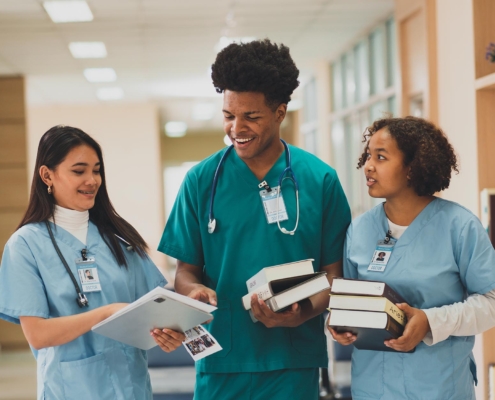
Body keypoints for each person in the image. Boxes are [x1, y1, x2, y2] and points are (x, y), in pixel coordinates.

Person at [158, 39, 351, 399]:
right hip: (221, 359)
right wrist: (193, 291)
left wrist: (301, 312)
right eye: (229, 116)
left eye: (252, 116)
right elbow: (184, 271)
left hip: (292, 361)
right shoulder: (201, 181)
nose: (237, 128)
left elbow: (334, 273)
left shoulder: (319, 180)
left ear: (280, 112)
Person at [0, 125, 185, 400]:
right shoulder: (26, 245)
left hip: (132, 387)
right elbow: (38, 334)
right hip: (70, 390)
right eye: (79, 171)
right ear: (47, 175)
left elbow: (154, 309)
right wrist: (104, 313)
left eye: (96, 170)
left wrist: (172, 333)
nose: (92, 180)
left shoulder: (119, 239)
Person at [328, 116, 495, 400]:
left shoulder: (460, 227)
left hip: (438, 387)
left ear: (411, 168)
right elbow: (348, 299)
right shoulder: (359, 229)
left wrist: (430, 321)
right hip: (372, 388)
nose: (368, 165)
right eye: (368, 155)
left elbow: (490, 301)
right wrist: (338, 321)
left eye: (381, 157)